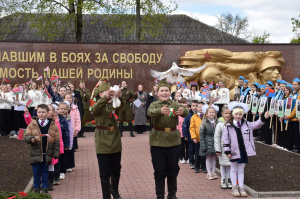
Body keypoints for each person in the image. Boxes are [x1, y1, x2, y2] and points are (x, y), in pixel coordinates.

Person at [147, 80, 188, 199]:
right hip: (158, 141)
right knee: (159, 171)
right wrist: (159, 111)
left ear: (170, 92)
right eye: (162, 91)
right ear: (157, 93)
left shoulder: (174, 104)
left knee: (173, 169)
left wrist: (183, 111)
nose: (164, 93)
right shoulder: (154, 104)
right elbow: (150, 112)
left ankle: (172, 194)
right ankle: (160, 196)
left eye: (166, 90)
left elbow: (185, 111)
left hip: (173, 141)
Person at [223, 102, 269, 197]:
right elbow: (225, 139)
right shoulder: (228, 125)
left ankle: (241, 187)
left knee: (241, 170)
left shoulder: (247, 124)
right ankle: (234, 187)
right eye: (236, 114)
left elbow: (257, 124)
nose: (238, 116)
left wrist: (264, 118)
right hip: (233, 151)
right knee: (233, 169)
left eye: (240, 114)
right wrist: (227, 150)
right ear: (233, 114)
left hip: (243, 151)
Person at [91, 82, 123, 199]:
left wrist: (120, 96)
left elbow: (123, 107)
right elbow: (94, 110)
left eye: (111, 91)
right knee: (104, 173)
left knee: (116, 169)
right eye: (107, 92)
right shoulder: (98, 104)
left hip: (115, 138)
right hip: (102, 140)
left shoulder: (114, 104)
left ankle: (114, 190)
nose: (110, 93)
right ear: (100, 94)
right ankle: (106, 196)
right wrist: (106, 98)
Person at [24, 104, 60, 194]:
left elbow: (56, 140)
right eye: (39, 112)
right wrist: (30, 139)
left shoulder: (53, 126)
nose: (41, 114)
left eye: (43, 112)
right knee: (36, 172)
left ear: (48, 113)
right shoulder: (32, 125)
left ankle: (45, 188)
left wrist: (56, 153)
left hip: (47, 153)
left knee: (45, 172)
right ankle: (36, 188)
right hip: (36, 153)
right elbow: (26, 136)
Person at [200, 104, 219, 180]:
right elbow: (201, 135)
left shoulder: (217, 122)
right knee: (208, 157)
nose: (212, 114)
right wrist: (203, 145)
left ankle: (214, 172)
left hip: (215, 142)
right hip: (207, 142)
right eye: (210, 112)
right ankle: (209, 173)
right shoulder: (204, 122)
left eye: (213, 112)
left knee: (214, 157)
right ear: (206, 114)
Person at [214, 107, 232, 189]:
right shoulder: (220, 124)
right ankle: (223, 179)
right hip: (222, 147)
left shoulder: (233, 123)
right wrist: (217, 149)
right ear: (222, 114)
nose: (227, 115)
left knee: (230, 164)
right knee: (223, 164)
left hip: (231, 148)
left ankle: (229, 178)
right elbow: (217, 137)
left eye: (229, 113)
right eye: (226, 113)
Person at [64, 94, 81, 171]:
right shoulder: (62, 107)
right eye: (67, 98)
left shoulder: (75, 109)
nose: (69, 99)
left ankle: (69, 165)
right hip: (64, 132)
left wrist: (76, 130)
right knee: (65, 148)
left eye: (70, 98)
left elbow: (77, 120)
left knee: (71, 148)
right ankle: (64, 165)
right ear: (64, 99)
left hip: (72, 132)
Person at [189, 101, 207, 173]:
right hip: (197, 138)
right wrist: (194, 137)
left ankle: (203, 166)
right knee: (197, 154)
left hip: (205, 139)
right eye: (199, 107)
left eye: (203, 107)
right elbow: (192, 128)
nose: (201, 109)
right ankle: (197, 166)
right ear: (197, 108)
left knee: (204, 154)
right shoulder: (194, 117)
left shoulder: (206, 116)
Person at [284, 78, 300, 153]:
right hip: (291, 118)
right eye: (293, 84)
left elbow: (296, 107)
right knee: (293, 134)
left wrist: (290, 116)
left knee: (297, 134)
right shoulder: (292, 94)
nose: (294, 86)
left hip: (296, 118)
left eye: (295, 84)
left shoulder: (299, 94)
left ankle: (297, 147)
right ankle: (294, 146)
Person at [182, 100, 199, 169]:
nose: (195, 107)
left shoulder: (200, 114)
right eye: (193, 106)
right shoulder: (188, 115)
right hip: (190, 136)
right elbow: (185, 125)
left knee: (197, 150)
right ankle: (191, 162)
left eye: (196, 106)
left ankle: (197, 162)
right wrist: (185, 135)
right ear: (190, 107)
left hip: (198, 136)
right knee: (191, 149)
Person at [178, 98, 189, 164]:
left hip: (187, 132)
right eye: (182, 103)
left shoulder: (189, 111)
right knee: (181, 146)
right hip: (180, 132)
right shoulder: (178, 112)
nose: (184, 104)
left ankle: (187, 158)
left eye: (185, 103)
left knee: (188, 146)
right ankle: (181, 157)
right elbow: (177, 123)